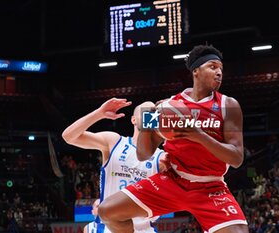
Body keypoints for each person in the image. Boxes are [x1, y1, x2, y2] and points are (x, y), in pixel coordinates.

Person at [98, 44, 248, 233]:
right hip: (173, 181)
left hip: (210, 186)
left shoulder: (228, 105)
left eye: (221, 69)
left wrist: (199, 136)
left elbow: (236, 158)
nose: (219, 72)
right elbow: (144, 154)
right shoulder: (168, 106)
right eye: (212, 66)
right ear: (196, 71)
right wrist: (147, 121)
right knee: (107, 211)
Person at [62, 98, 166, 233]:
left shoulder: (162, 157)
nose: (150, 114)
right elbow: (69, 137)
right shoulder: (114, 142)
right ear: (133, 119)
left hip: (144, 229)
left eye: (154, 113)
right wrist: (99, 113)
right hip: (109, 228)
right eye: (146, 111)